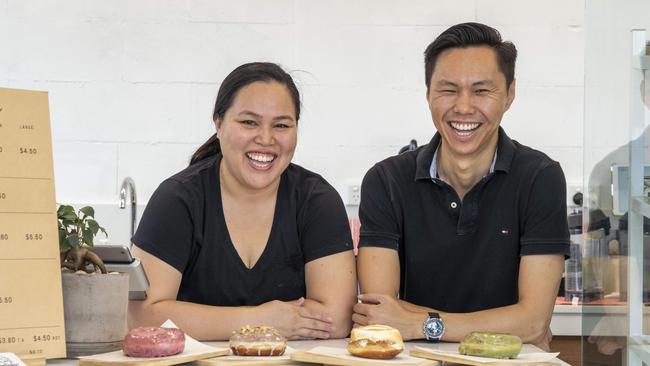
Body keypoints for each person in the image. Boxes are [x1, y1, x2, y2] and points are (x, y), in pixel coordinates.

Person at [352, 22, 570, 351]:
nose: (464, 107)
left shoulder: (540, 177)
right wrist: (511, 324)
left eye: (481, 90)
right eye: (448, 89)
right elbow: (380, 314)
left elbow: (534, 321)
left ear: (509, 94)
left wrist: (418, 323)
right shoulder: (386, 181)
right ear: (428, 94)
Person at [128, 62, 357, 341]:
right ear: (219, 123)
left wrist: (191, 318)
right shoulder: (178, 200)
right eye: (249, 122)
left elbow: (336, 320)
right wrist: (261, 322)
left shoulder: (317, 201)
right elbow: (142, 316)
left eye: (282, 125)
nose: (265, 138)